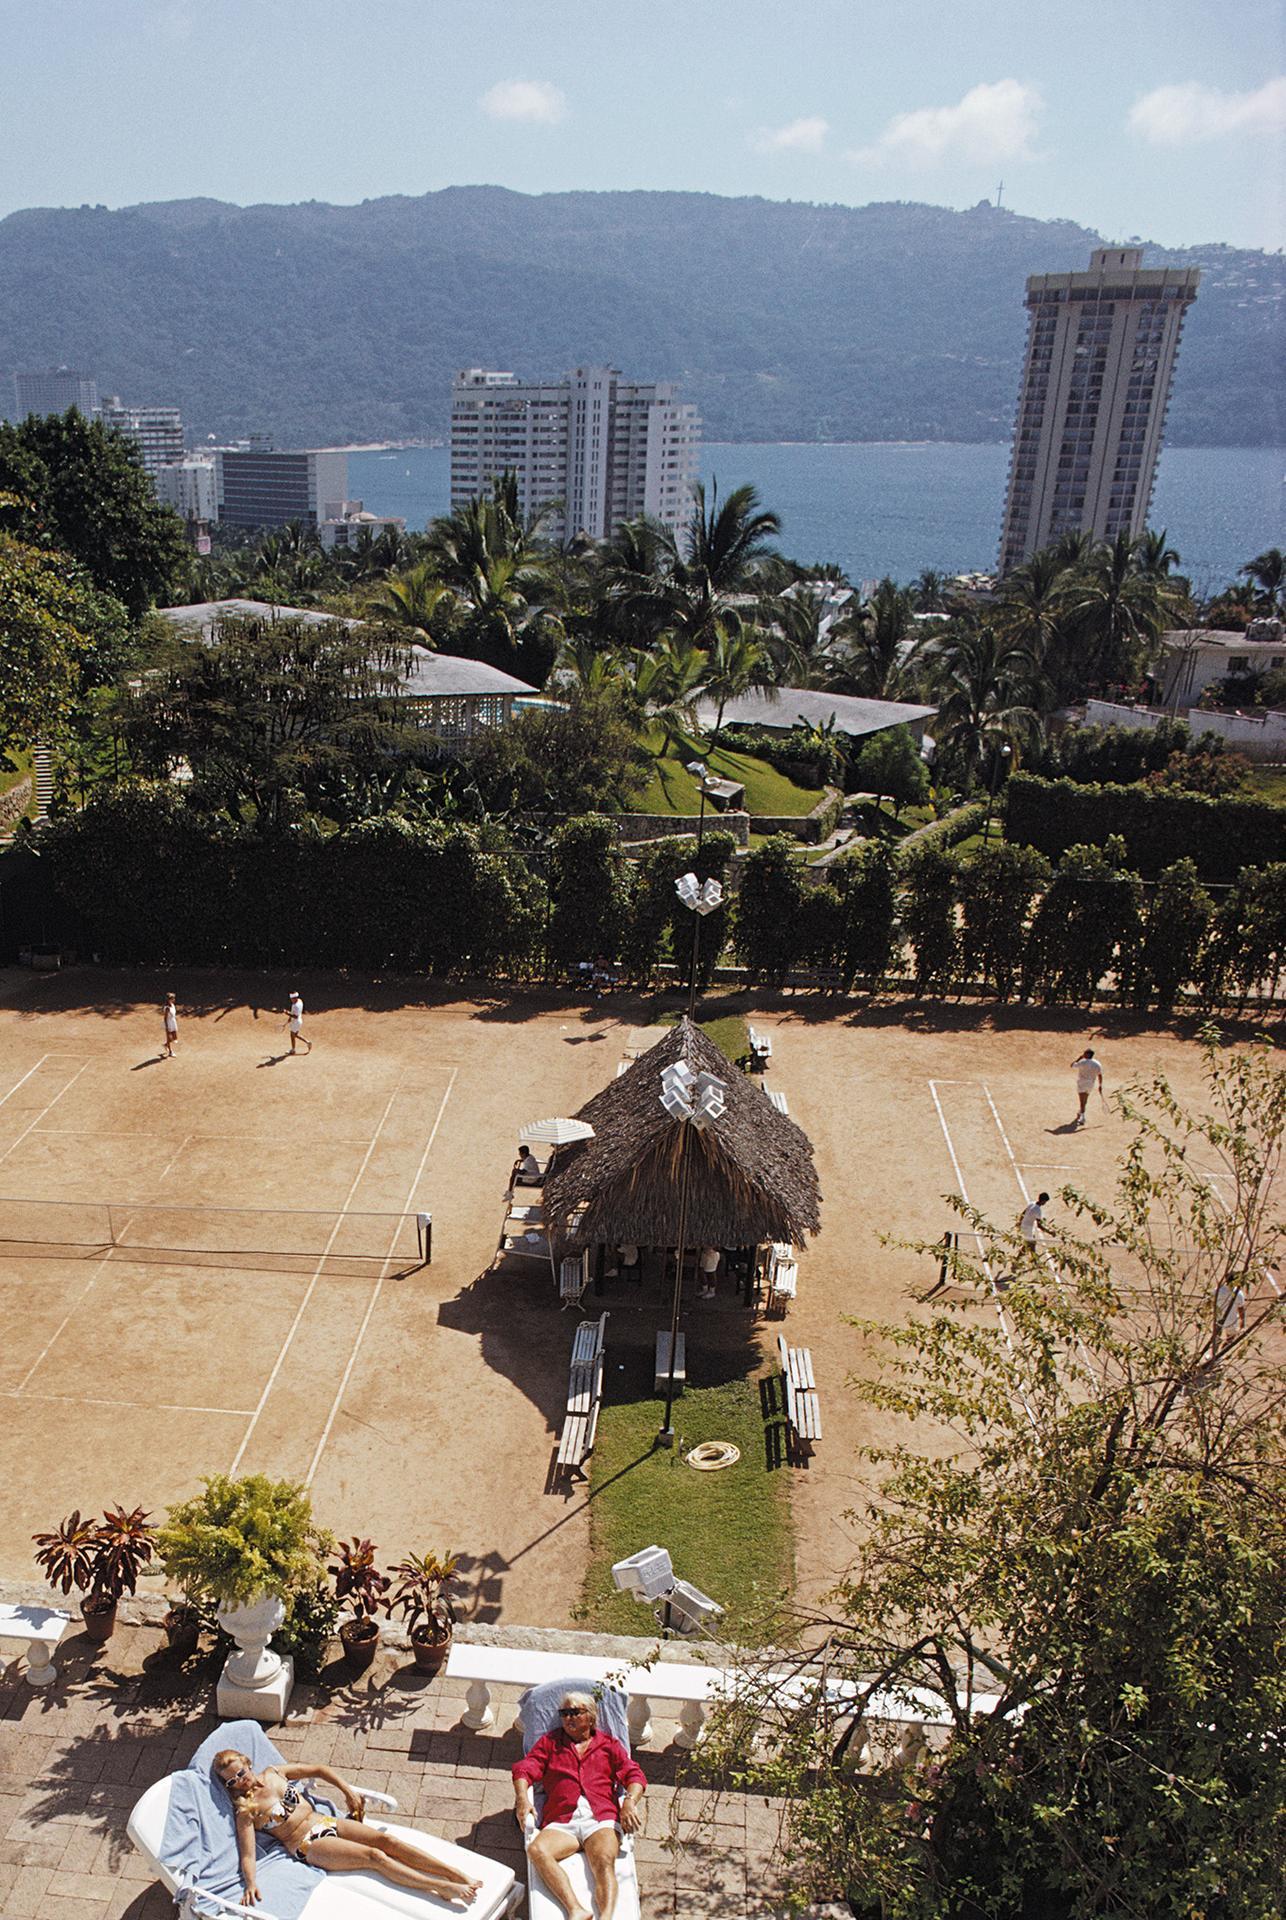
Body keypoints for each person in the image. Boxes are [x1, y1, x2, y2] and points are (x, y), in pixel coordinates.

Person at [213, 1748, 481, 1908]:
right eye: (232, 1781)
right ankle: (438, 1886)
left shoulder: (274, 1773)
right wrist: (250, 1883)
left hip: (326, 1822)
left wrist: (347, 1790)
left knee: (388, 1842)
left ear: (248, 1763)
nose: (240, 1781)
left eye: (241, 1772)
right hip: (308, 1844)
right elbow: (247, 1853)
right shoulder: (246, 1811)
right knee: (375, 1857)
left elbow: (318, 1769)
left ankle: (454, 1873)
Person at [512, 1690, 646, 1920]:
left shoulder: (608, 1745)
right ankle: (575, 1908)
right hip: (563, 1819)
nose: (568, 1718)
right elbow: (524, 1769)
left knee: (603, 1862)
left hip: (600, 1818)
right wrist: (522, 1799)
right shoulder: (551, 1743)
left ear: (591, 1717)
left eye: (575, 1712)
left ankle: (605, 1916)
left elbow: (634, 1776)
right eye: (564, 1713)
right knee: (537, 1850)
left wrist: (630, 1803)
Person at [1071, 1047, 1103, 1127]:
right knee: (1085, 1099)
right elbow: (1100, 1075)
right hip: (1091, 1084)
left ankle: (1082, 1117)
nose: (1083, 1054)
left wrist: (1079, 1058)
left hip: (1082, 1083)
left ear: (1088, 1054)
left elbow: (1072, 1065)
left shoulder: (1082, 1062)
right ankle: (1081, 1111)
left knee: (1082, 1100)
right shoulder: (1097, 1063)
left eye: (1084, 1053)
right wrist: (1100, 1085)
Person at [1213, 1277, 1247, 1354]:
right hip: (1231, 1321)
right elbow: (1241, 1309)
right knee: (1230, 1339)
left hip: (1218, 1318)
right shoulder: (1239, 1294)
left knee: (1216, 1338)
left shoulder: (1217, 1290)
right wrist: (1242, 1325)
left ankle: (1214, 1356)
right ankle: (1220, 1355)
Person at [286, 990, 311, 1055]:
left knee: (292, 1035)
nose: (291, 1000)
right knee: (295, 1035)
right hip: (299, 1021)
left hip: (296, 1022)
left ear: (294, 998)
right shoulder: (300, 1001)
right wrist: (289, 1018)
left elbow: (295, 1016)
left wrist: (287, 1013)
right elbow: (293, 1013)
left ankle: (293, 1050)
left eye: (291, 999)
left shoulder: (295, 1006)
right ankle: (307, 1042)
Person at [162, 993, 178, 1058]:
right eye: (172, 998)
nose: (174, 999)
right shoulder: (167, 1008)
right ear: (169, 1000)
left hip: (173, 1022)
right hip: (168, 1023)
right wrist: (167, 1026)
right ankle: (170, 1052)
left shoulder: (172, 1005)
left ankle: (166, 1045)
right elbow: (165, 1018)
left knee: (175, 1038)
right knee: (169, 1038)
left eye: (174, 998)